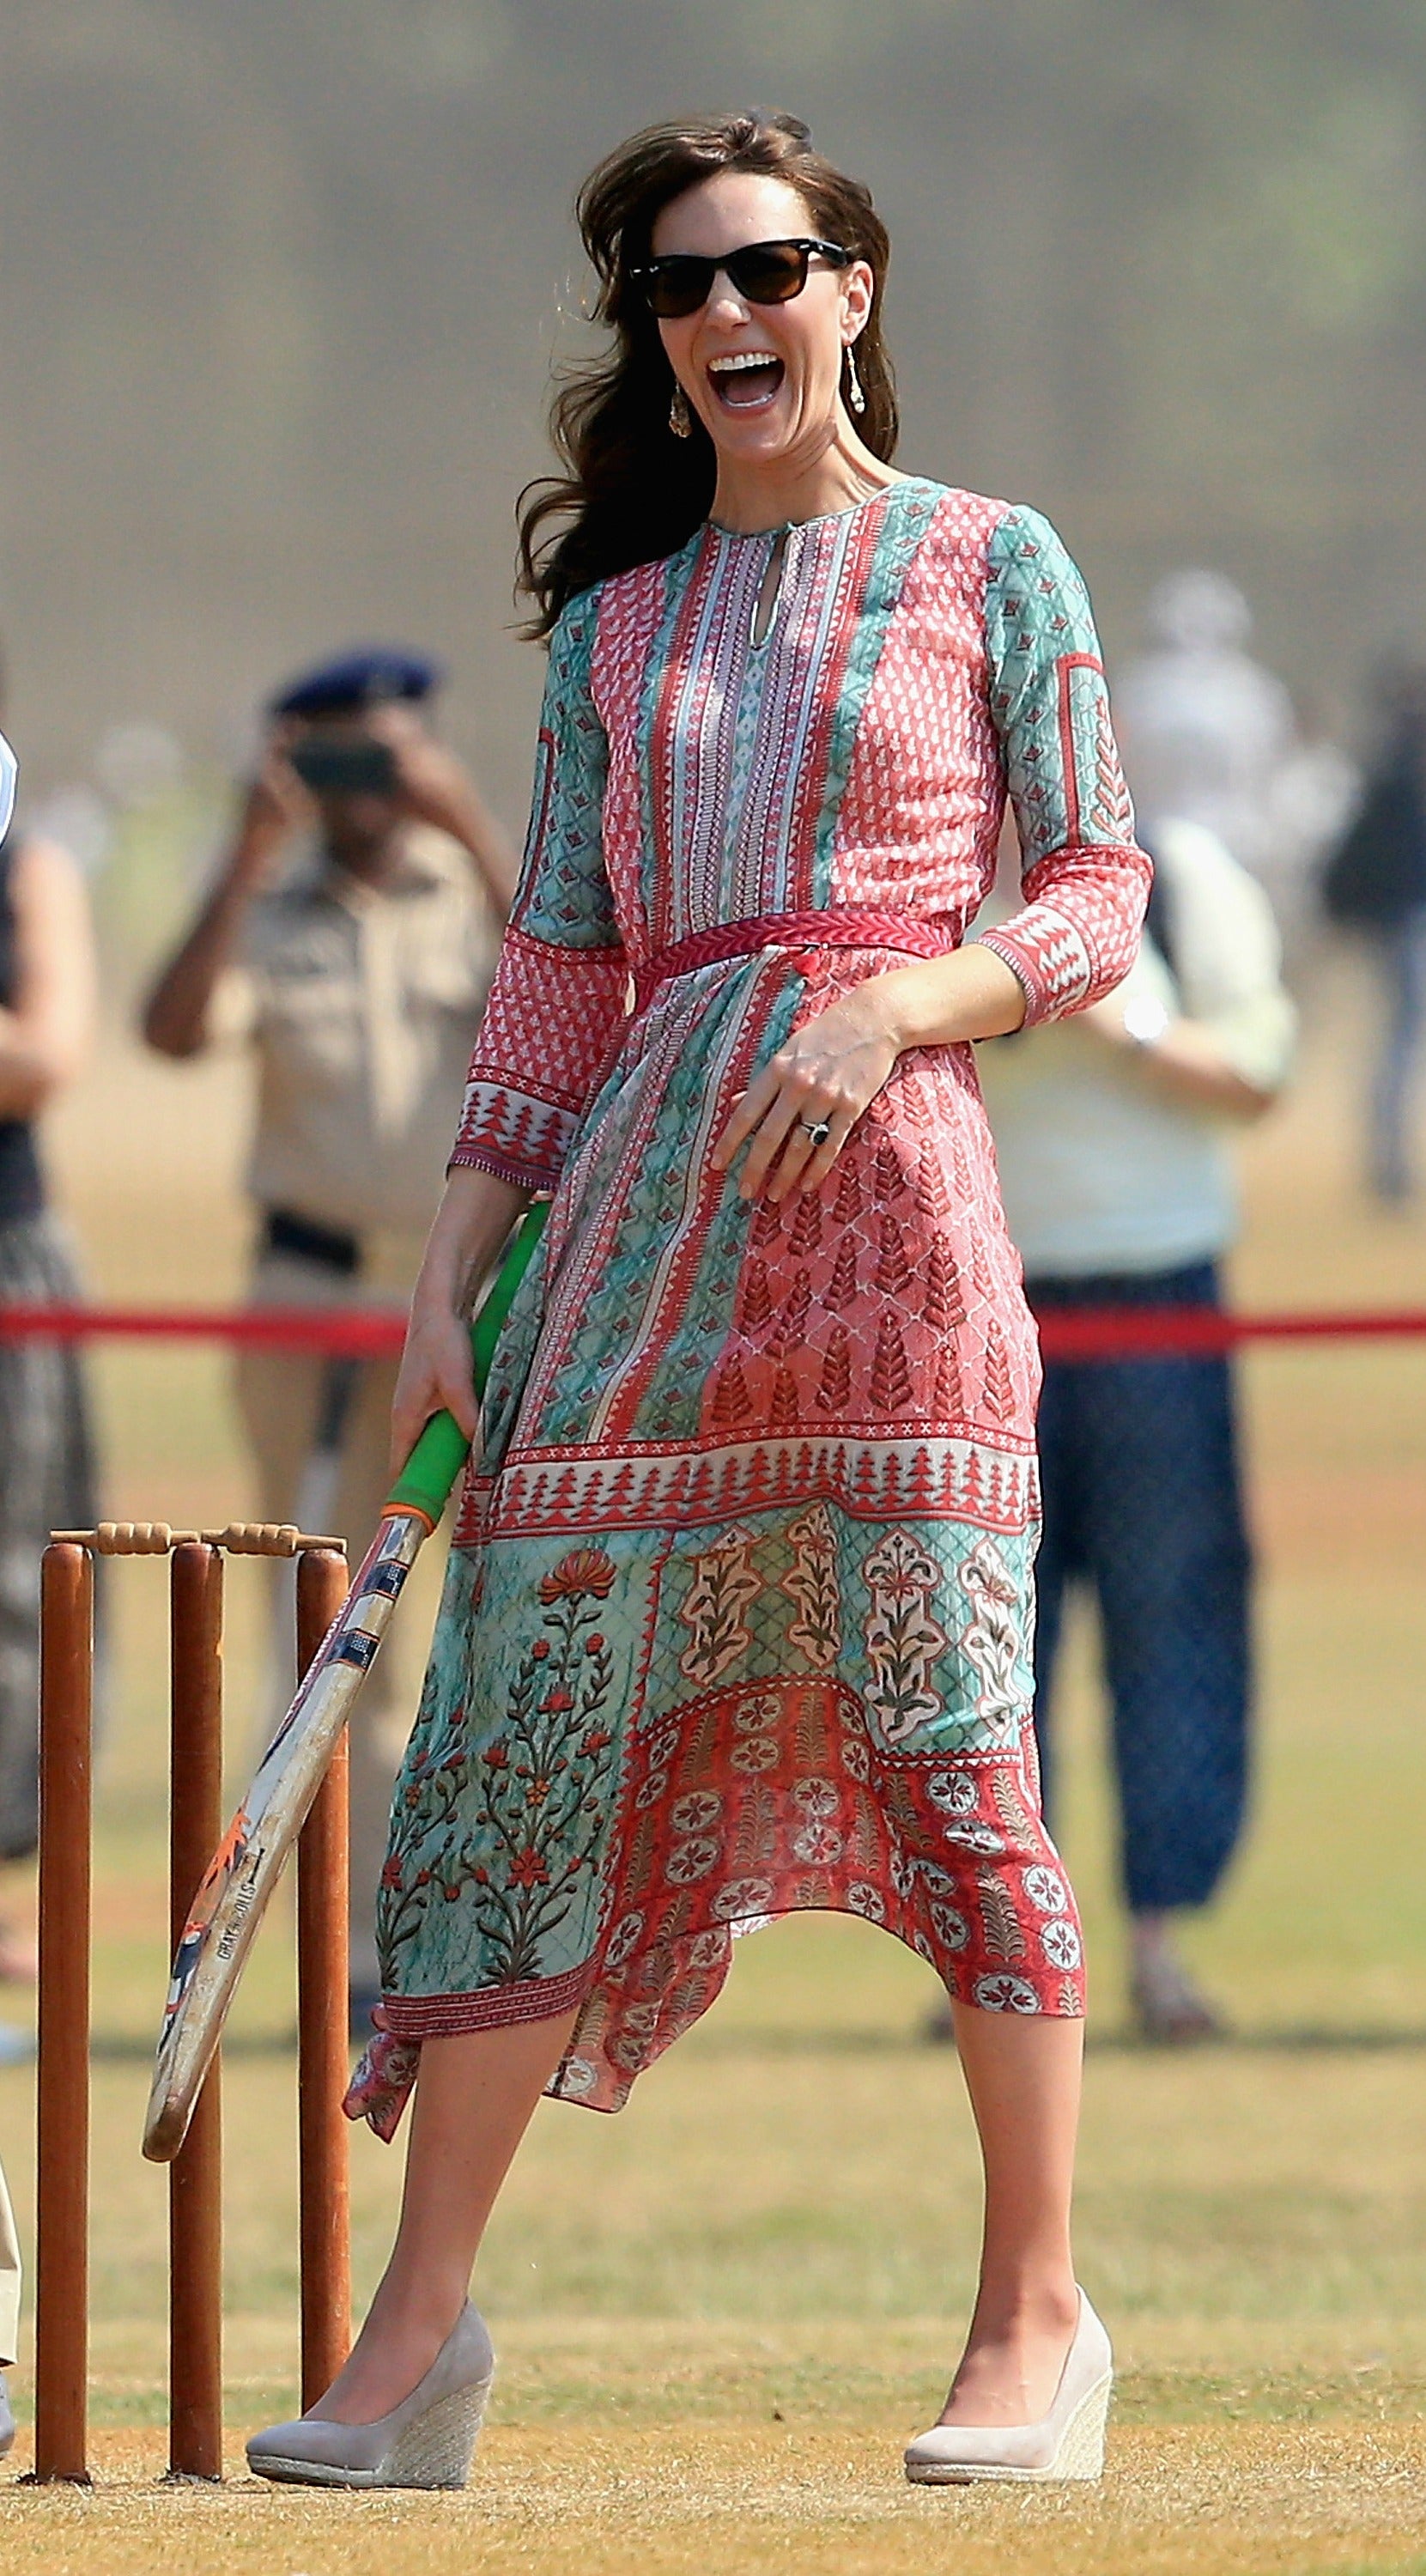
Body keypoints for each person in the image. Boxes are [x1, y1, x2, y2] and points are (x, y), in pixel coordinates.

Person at [247, 109, 1148, 2494]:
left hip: (899, 1237)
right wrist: (452, 1268)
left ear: (851, 287)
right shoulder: (613, 630)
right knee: (507, 1756)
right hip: (628, 1250)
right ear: (651, 337)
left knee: (954, 1751)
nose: (722, 312)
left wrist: (900, 1000)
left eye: (763, 268)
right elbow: (558, 966)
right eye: (676, 285)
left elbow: (1093, 889)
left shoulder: (990, 561)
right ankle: (416, 2340)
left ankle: (1035, 2317)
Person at [143, 653, 516, 2026]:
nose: (364, 789)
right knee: (333, 1626)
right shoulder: (269, 902)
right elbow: (172, 1030)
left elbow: (586, 996)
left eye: (385, 757)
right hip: (311, 1296)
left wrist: (465, 817)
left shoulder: (474, 895)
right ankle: (353, 1953)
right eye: (336, 759)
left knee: (493, 1624)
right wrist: (246, 853)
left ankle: (489, 1933)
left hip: (465, 1295)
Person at [976, 816, 1296, 2040]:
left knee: (1173, 1615)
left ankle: (1159, 1947)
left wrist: (1122, 1026)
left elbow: (1257, 1074)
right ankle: (1002, 1952)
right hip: (980, 1291)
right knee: (985, 1638)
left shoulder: (1184, 871)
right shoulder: (932, 866)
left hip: (1159, 1292)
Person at [0, 707, 100, 2047]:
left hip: (9, 1254)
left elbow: (40, 1056)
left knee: (14, 1590)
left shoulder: (30, 860)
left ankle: (7, 1911)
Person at [1321, 660, 1426, 1201]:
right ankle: (1389, 1166)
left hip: (1404, 918)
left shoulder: (1394, 769)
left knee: (1403, 1039)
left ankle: (1390, 1165)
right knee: (1403, 1039)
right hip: (1408, 919)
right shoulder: (1398, 773)